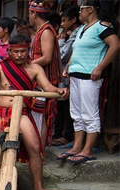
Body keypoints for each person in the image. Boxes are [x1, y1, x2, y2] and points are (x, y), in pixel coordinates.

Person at [0, 35, 67, 190]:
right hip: (0, 113)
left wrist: (59, 90)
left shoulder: (36, 68)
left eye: (23, 51)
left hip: (22, 112)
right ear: (9, 52)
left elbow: (48, 88)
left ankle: (38, 189)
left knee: (35, 148)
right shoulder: (0, 66)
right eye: (15, 52)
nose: (19, 55)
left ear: (28, 51)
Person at [58, 0, 120, 164]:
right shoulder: (81, 29)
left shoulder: (103, 26)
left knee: (89, 113)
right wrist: (69, 66)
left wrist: (100, 67)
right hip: (76, 74)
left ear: (90, 9)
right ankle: (77, 146)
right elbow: (76, 49)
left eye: (81, 9)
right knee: (77, 114)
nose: (79, 12)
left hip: (89, 76)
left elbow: (115, 45)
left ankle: (87, 150)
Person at [29, 0, 62, 149]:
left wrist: (28, 66)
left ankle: (40, 152)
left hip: (45, 81)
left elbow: (47, 57)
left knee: (42, 117)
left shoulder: (46, 31)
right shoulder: (40, 31)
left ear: (34, 14)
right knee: (37, 116)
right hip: (38, 80)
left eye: (30, 13)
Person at [51, 6, 81, 147]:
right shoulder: (69, 33)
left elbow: (62, 55)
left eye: (64, 20)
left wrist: (61, 41)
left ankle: (66, 136)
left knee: (67, 106)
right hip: (64, 76)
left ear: (74, 20)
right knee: (62, 105)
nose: (62, 24)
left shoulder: (76, 34)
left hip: (68, 76)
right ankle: (60, 135)